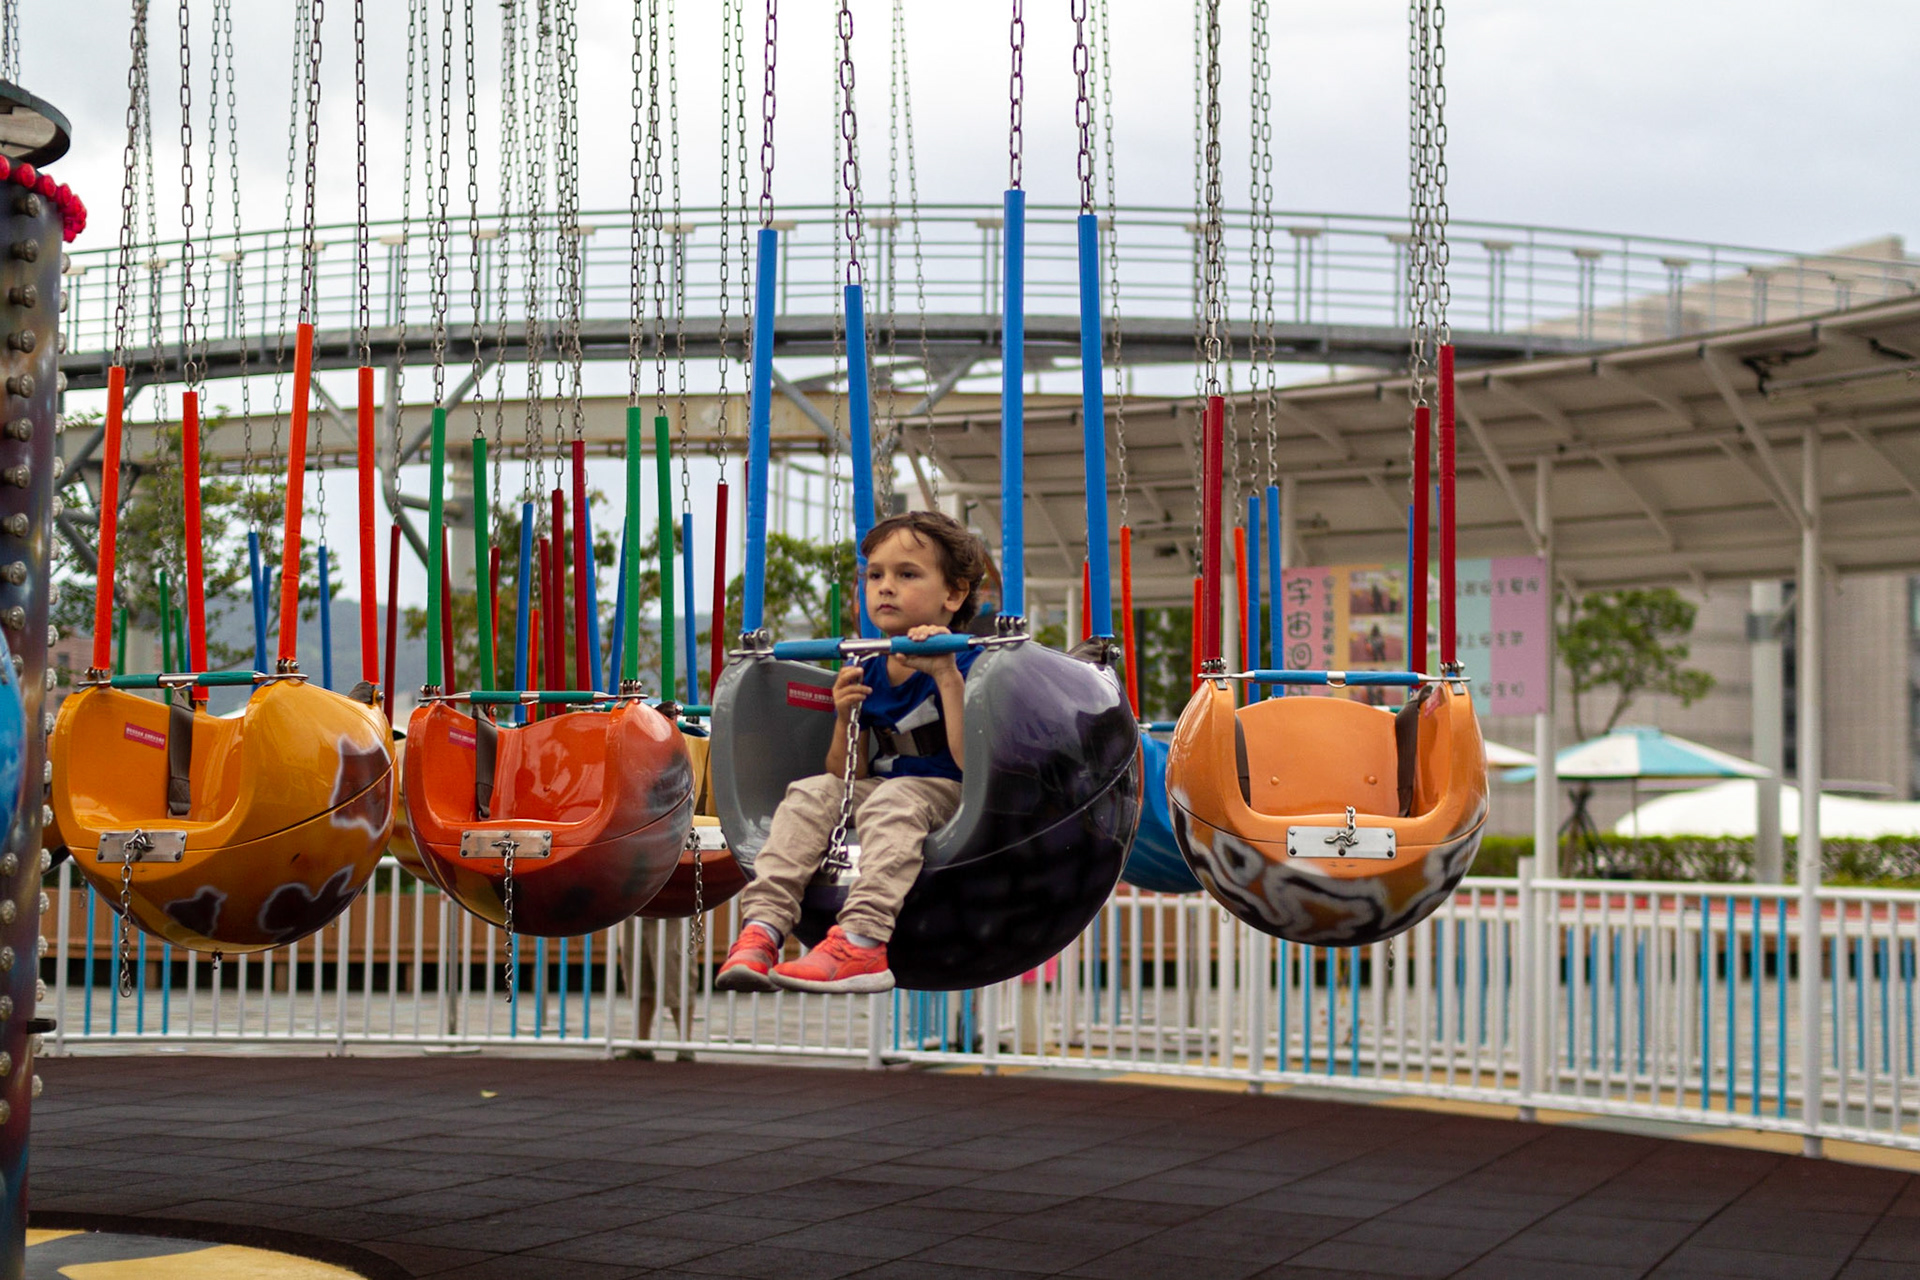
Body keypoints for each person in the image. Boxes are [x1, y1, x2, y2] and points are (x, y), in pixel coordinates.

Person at [713, 510, 991, 995]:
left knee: (893, 800)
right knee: (810, 793)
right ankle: (764, 928)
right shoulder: (868, 661)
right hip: (883, 787)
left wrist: (946, 675)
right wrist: (845, 716)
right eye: (875, 576)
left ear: (953, 594)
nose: (886, 588)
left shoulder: (970, 659)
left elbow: (973, 763)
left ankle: (863, 937)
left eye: (907, 575)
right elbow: (848, 773)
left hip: (951, 792)